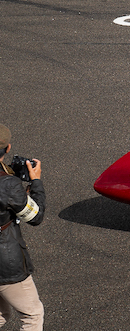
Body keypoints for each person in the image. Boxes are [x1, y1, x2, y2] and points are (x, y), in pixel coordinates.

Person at [0, 124, 45, 331]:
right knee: (33, 315)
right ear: (7, 148)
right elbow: (35, 216)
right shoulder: (8, 185)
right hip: (5, 264)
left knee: (2, 314)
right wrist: (35, 183)